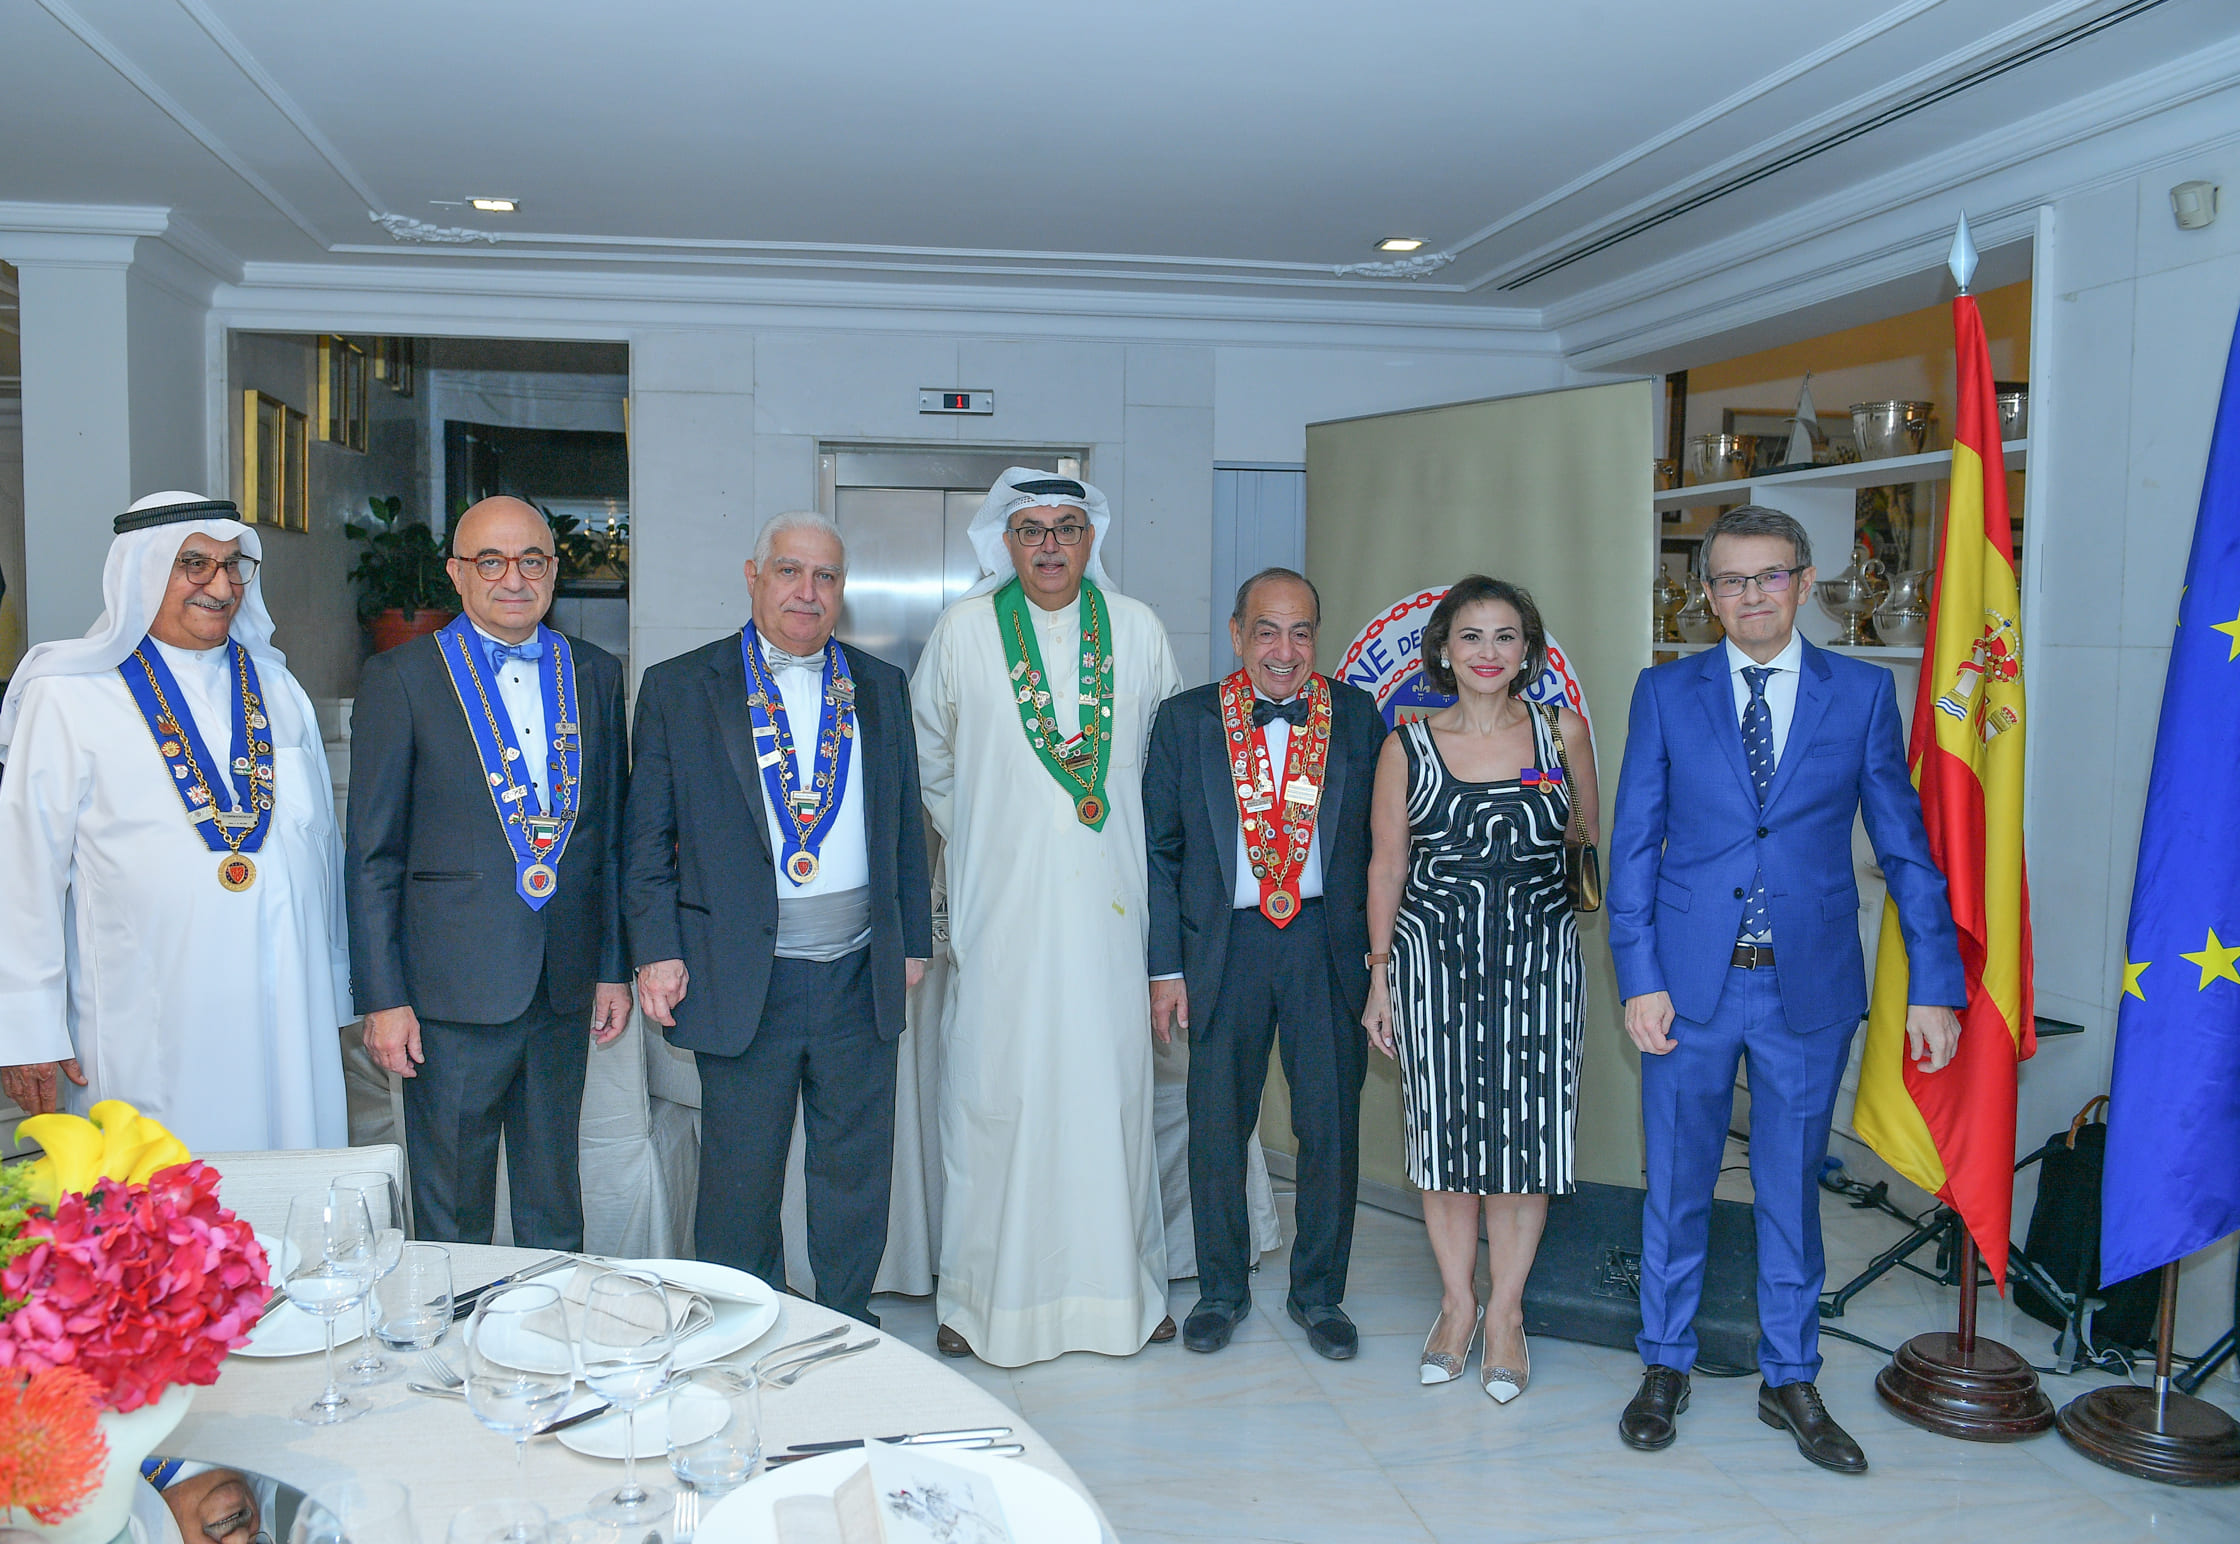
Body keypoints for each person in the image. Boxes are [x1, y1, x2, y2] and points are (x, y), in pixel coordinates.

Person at [1608, 505, 1964, 1472]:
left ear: (1805, 582)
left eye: (1769, 576)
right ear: (1708, 595)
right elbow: (1633, 845)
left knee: (1790, 1192)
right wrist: (1640, 977)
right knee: (1676, 1185)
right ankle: (1665, 1362)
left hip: (1807, 988)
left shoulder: (1863, 693)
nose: (1751, 595)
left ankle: (1791, 1376)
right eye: (1730, 580)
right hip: (1687, 987)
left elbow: (1905, 848)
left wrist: (1935, 983)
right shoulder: (1666, 692)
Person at [625, 512, 930, 1325]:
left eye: (826, 576)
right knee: (740, 1176)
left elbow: (904, 821)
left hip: (859, 973)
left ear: (842, 590)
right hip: (739, 975)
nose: (807, 591)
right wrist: (656, 950)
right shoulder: (681, 687)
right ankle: (740, 1325)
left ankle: (849, 1320)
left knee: (854, 1172)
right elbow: (646, 838)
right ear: (753, 576)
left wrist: (912, 941)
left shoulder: (880, 686)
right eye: (789, 571)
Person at [913, 467, 1182, 1365]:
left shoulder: (1137, 630)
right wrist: (993, 832)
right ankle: (978, 1301)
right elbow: (930, 757)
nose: (1051, 545)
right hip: (1003, 911)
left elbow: (1165, 772)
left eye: (1068, 527)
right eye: (1032, 529)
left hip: (1112, 913)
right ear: (1007, 542)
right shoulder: (962, 631)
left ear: (1090, 539)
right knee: (995, 1098)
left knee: (1112, 1100)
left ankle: (1126, 1295)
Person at [0, 492, 348, 1149]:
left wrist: (335, 987)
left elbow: (322, 850)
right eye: (194, 564)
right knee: (157, 1192)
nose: (220, 585)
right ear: (142, 572)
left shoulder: (278, 688)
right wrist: (26, 1031)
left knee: (294, 1174)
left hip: (288, 1012)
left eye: (232, 565)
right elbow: (23, 876)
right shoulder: (68, 696)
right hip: (146, 1019)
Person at [346, 496, 630, 1249]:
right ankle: (453, 1323)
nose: (513, 579)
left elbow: (608, 838)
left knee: (554, 1202)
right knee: (451, 1209)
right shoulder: (401, 677)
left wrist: (612, 968)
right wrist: (383, 998)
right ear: (456, 573)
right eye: (491, 561)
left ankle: (550, 1317)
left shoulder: (595, 674)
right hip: (447, 995)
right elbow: (373, 855)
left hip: (563, 985)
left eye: (531, 560)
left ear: (554, 570)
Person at [1362, 575, 1596, 1403]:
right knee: (1446, 1145)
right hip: (1433, 965)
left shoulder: (1563, 734)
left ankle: (1507, 1314)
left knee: (1526, 1147)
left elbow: (1585, 846)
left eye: (1505, 636)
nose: (1488, 652)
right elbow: (1387, 866)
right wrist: (1380, 978)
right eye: (1471, 636)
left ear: (1528, 650)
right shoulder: (1406, 746)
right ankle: (1457, 1305)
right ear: (1443, 649)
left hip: (1539, 967)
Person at [1145, 567, 1386, 1360]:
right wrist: (1164, 969)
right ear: (1236, 634)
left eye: (1301, 632)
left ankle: (1319, 1294)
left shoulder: (1357, 715)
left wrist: (1382, 964)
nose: (1284, 650)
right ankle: (1221, 1292)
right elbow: (1159, 853)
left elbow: (1385, 849)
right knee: (1217, 1127)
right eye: (1267, 631)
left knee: (1330, 1130)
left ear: (1318, 637)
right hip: (1224, 947)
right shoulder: (1185, 720)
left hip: (1327, 947)